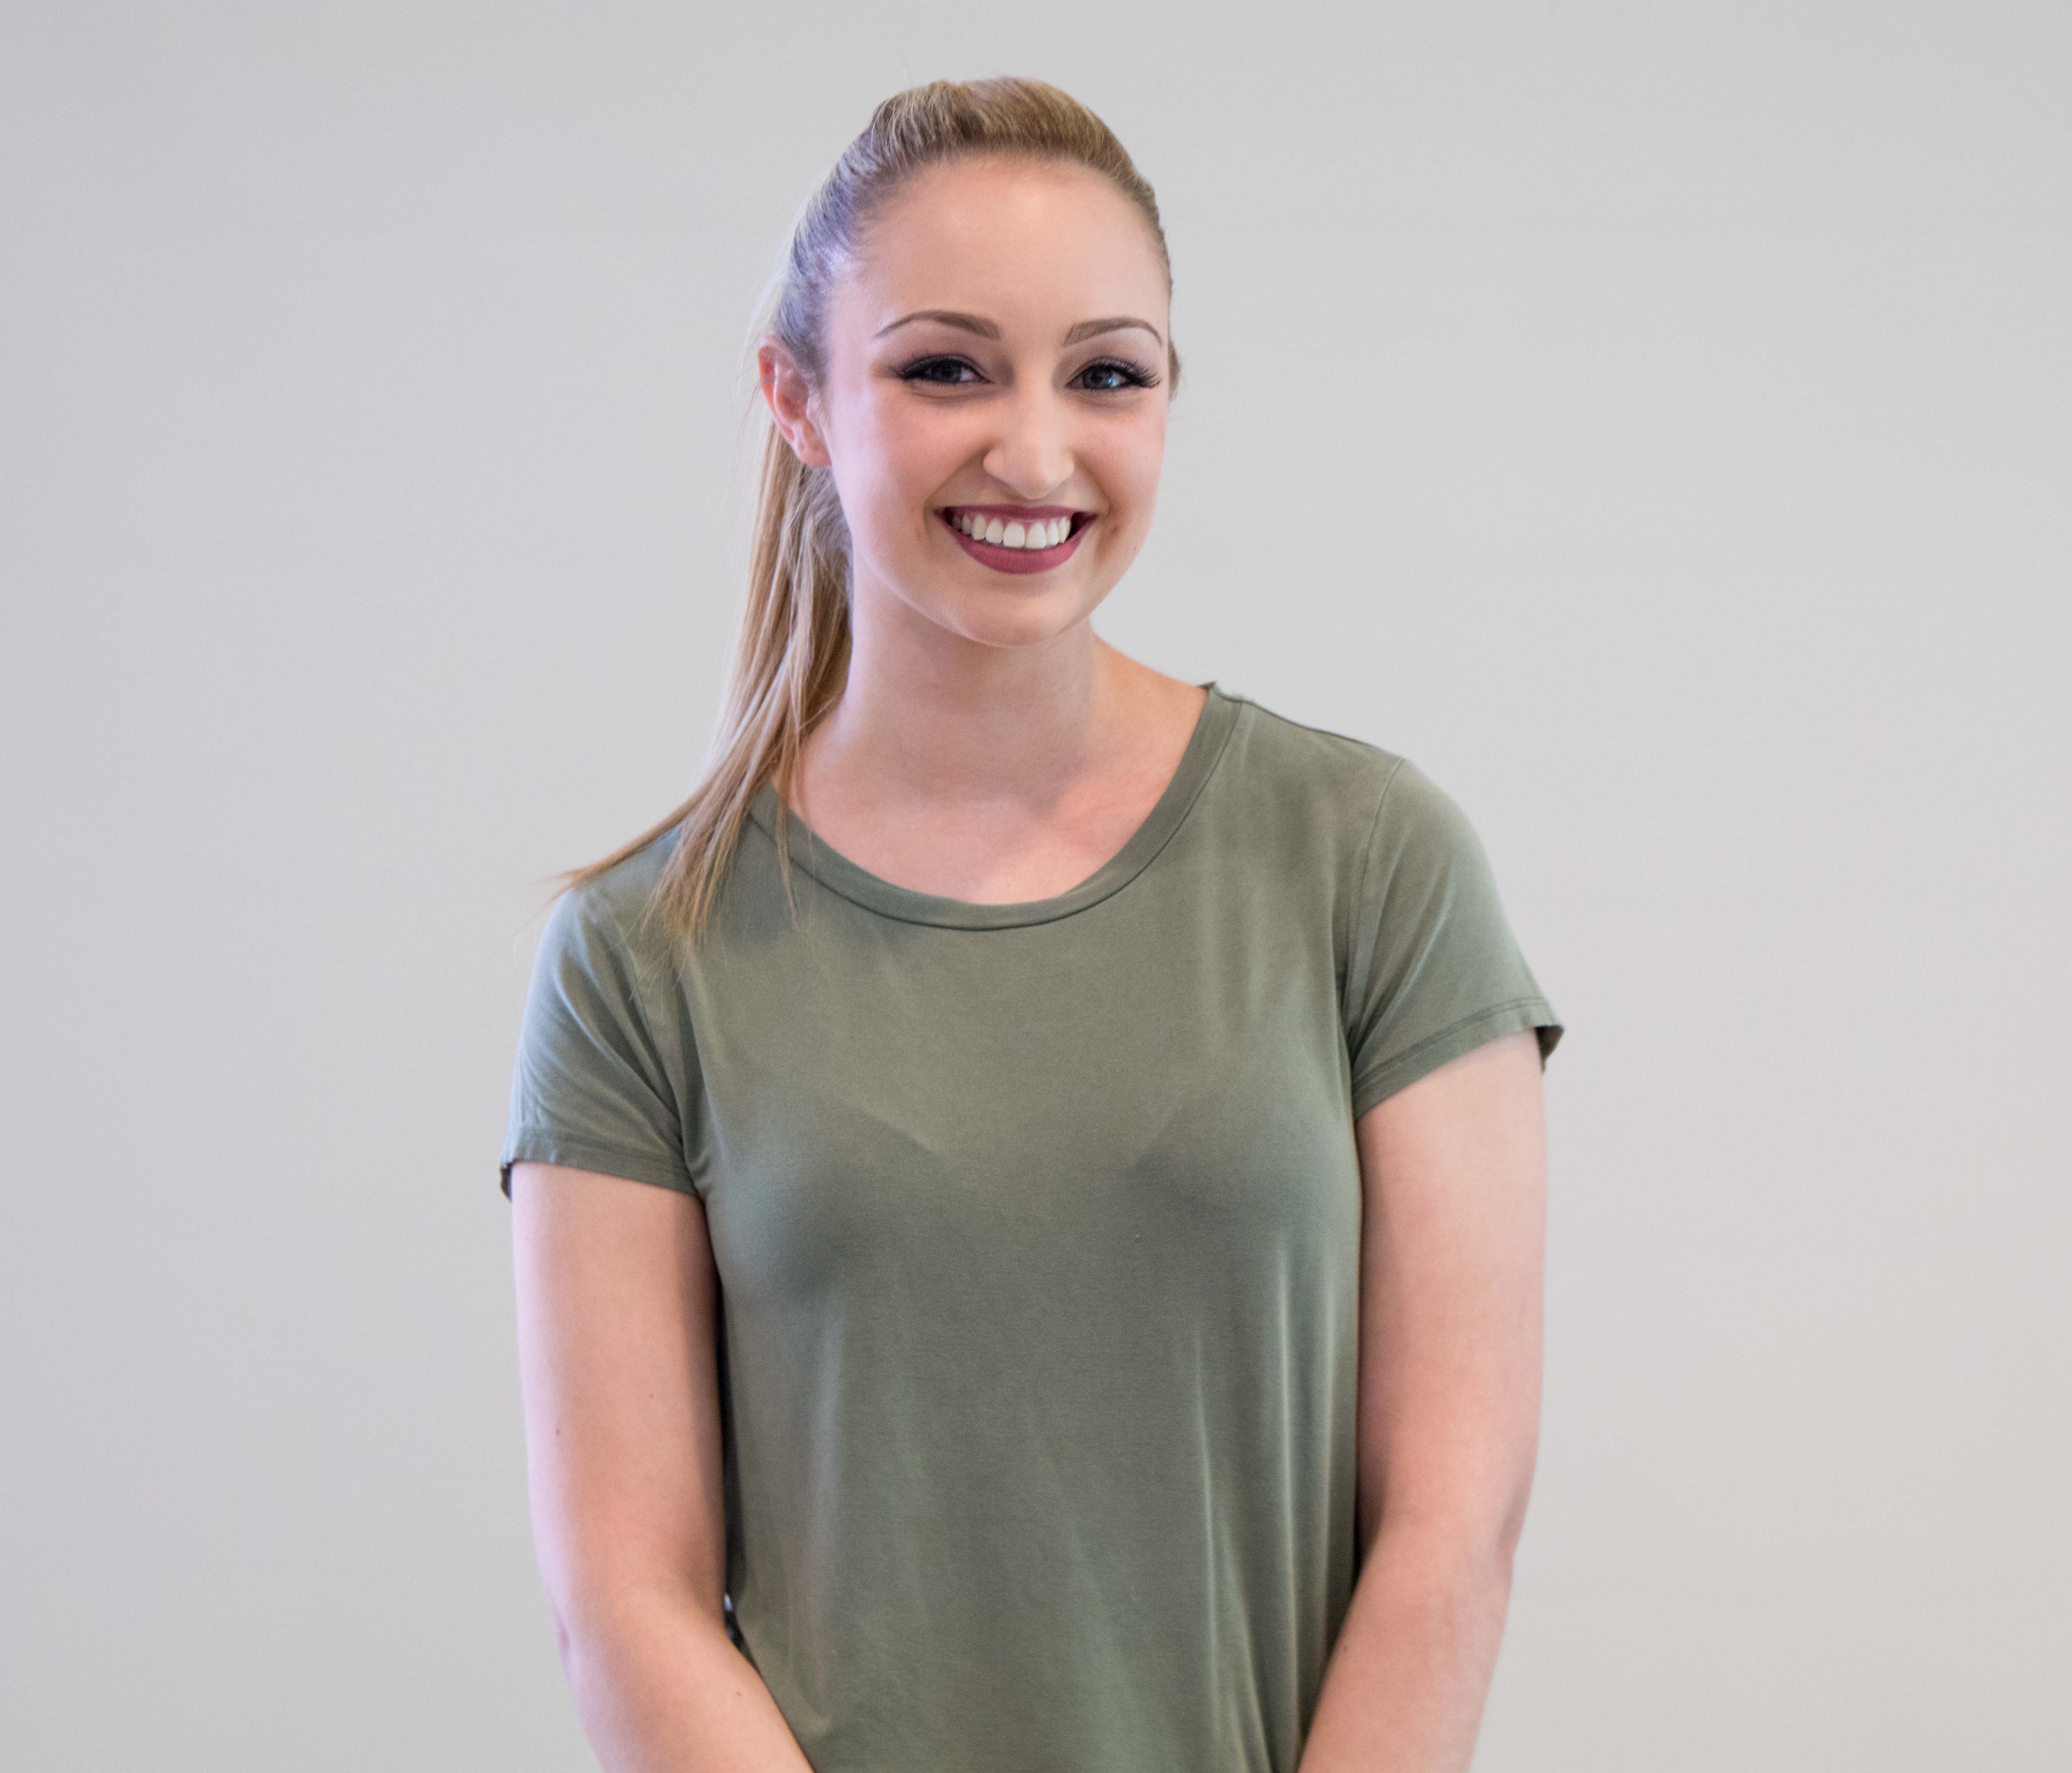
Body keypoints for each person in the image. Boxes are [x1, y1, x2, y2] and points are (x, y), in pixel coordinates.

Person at [500, 75, 1562, 1773]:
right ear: (797, 398)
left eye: (1106, 375)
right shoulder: (643, 957)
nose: (1037, 453)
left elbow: (1453, 1521)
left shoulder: (1372, 862)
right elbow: (626, 1596)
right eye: (947, 368)